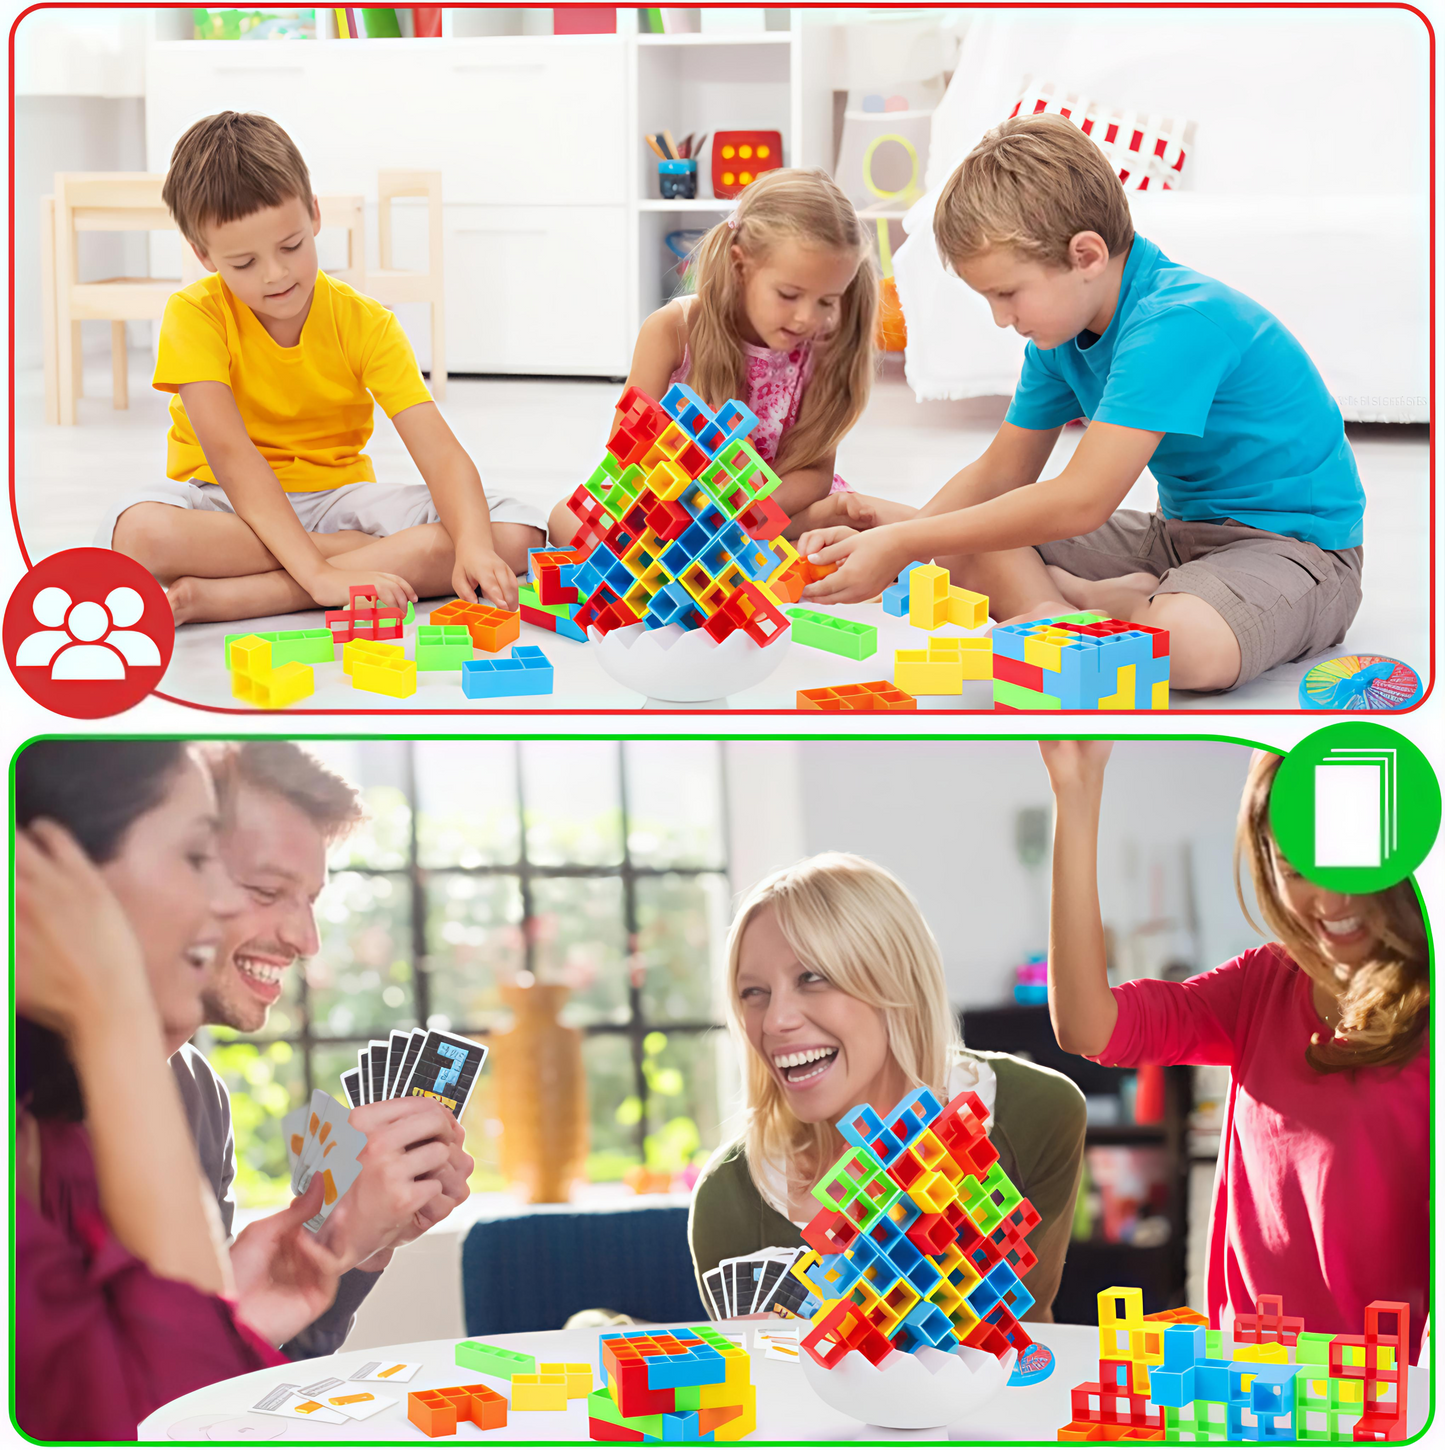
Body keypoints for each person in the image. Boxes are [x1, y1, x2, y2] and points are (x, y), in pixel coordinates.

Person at [798, 113, 1365, 694]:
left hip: (1296, 552)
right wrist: (908, 543)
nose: (1001, 318)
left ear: (1087, 255)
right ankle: (1060, 613)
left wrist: (902, 542)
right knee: (959, 550)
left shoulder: (1175, 323)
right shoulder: (1060, 334)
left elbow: (1083, 501)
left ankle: (1111, 603)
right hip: (1176, 538)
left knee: (1190, 647)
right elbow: (1002, 472)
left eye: (1008, 293)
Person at [1041, 741, 1428, 1357]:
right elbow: (1089, 1026)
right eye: (1296, 868)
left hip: (1382, 1403)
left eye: (1348, 863)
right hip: (1249, 1387)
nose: (1329, 904)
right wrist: (1077, 790)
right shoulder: (1262, 984)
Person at [15, 741, 343, 1440]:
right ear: (51, 872)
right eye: (199, 860)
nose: (219, 902)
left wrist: (242, 1308)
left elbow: (160, 1400)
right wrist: (115, 1014)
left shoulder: (71, 1133)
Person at [103, 110, 546, 625]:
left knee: (515, 532)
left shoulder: (366, 323)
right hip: (226, 502)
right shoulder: (194, 314)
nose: (275, 275)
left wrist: (471, 545)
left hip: (340, 499)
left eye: (291, 246)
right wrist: (320, 566)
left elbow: (439, 452)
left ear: (314, 214)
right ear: (204, 255)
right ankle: (338, 562)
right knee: (140, 534)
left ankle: (246, 595)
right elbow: (230, 454)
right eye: (244, 264)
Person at [689, 853, 1086, 1322]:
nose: (774, 1021)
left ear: (895, 978)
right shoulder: (729, 1197)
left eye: (812, 978)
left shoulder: (1037, 1114)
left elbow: (1016, 1329)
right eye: (753, 992)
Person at [176, 740, 474, 1360]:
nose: (305, 940)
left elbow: (237, 1360)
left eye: (309, 900)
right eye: (265, 890)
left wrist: (363, 1242)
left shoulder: (196, 1091)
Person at [548, 169, 915, 545]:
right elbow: (626, 455)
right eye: (789, 294)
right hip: (667, 505)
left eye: (826, 300)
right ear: (741, 265)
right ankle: (797, 530)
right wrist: (683, 512)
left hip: (770, 506)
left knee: (876, 520)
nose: (807, 317)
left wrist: (745, 516)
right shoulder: (671, 331)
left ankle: (799, 528)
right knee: (565, 519)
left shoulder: (821, 345)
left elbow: (814, 472)